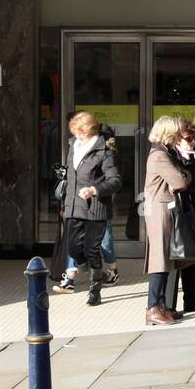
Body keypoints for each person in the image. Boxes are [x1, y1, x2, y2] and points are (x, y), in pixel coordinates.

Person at [53, 111, 122, 306]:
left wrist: (95, 190)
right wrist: (65, 203)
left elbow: (116, 181)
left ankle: (95, 289)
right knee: (74, 248)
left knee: (92, 250)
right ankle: (94, 272)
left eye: (82, 132)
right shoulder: (73, 147)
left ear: (91, 131)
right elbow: (71, 178)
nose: (78, 136)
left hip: (96, 208)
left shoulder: (104, 151)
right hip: (74, 207)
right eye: (76, 132)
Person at [142, 115, 194, 326]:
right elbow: (181, 180)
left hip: (163, 208)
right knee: (159, 259)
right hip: (159, 210)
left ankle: (161, 306)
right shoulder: (159, 155)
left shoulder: (164, 151)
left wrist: (183, 177)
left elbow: (182, 176)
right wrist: (183, 178)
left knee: (164, 258)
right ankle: (153, 308)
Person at [166, 119, 195, 314]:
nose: (192, 141)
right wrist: (193, 193)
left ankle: (194, 301)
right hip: (176, 210)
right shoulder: (171, 157)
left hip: (192, 209)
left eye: (194, 138)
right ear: (177, 139)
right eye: (188, 138)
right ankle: (169, 304)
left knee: (194, 254)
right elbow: (172, 186)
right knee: (176, 254)